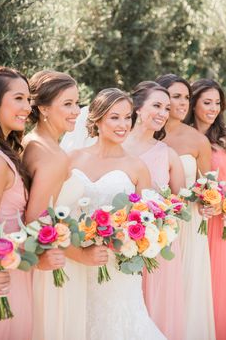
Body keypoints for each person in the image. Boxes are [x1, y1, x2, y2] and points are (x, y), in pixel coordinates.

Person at [68, 87, 167, 340]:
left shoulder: (136, 166)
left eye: (127, 117)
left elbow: (149, 219)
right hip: (76, 262)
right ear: (97, 119)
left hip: (118, 267)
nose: (123, 124)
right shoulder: (71, 159)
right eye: (114, 117)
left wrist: (133, 239)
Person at [23, 70, 107, 340]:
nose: (76, 111)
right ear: (44, 108)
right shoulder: (51, 156)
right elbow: (35, 222)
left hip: (54, 262)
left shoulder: (32, 143)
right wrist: (82, 255)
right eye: (67, 104)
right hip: (59, 267)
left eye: (77, 102)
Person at [123, 81, 185, 340]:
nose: (163, 113)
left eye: (167, 108)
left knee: (155, 310)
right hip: (119, 243)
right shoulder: (115, 147)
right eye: (157, 105)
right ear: (137, 108)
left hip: (155, 247)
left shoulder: (168, 154)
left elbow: (179, 206)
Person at [156, 74, 216, 340]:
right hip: (153, 225)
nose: (182, 102)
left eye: (186, 97)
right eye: (176, 96)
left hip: (190, 225)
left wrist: (209, 204)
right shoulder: (144, 132)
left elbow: (208, 188)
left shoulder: (197, 141)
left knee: (188, 287)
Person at [186, 78, 226, 340]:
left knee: (221, 283)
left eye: (217, 103)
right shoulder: (183, 138)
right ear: (194, 104)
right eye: (207, 102)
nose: (213, 108)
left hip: (221, 221)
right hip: (195, 217)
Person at [0, 66, 32, 340]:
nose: (27, 107)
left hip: (11, 270)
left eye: (29, 99)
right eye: (18, 98)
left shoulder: (7, 154)